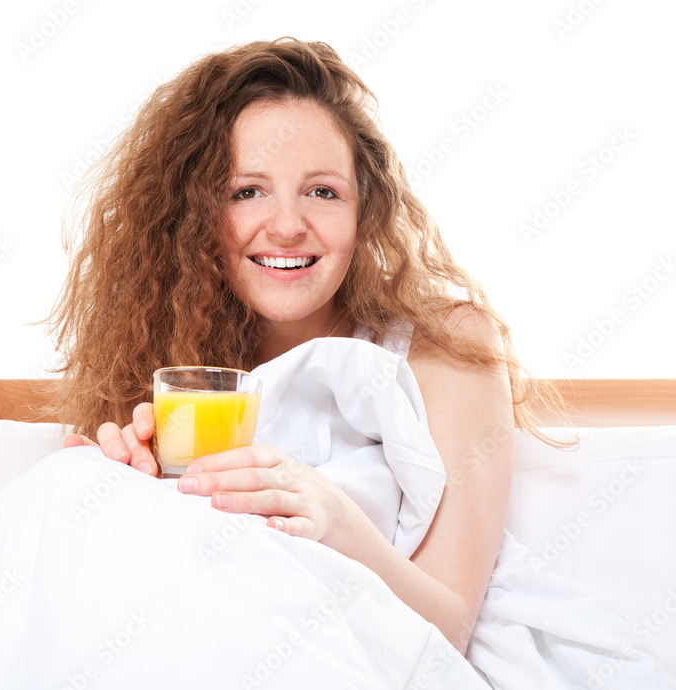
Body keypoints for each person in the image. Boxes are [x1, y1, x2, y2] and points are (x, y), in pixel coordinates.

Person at [47, 37, 674, 687]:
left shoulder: (446, 349)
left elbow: (448, 629)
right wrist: (113, 496)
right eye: (246, 192)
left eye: (321, 191)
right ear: (194, 217)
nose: (287, 225)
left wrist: (337, 520)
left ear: (363, 209)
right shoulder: (173, 368)